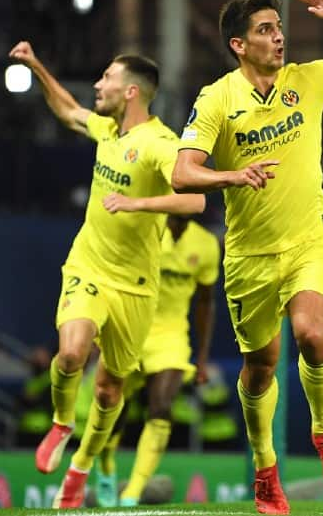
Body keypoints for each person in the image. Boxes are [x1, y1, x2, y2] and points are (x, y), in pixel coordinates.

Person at [172, 0, 323, 515]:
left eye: (279, 28)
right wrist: (232, 174)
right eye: (264, 30)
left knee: (310, 332)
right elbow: (181, 172)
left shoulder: (310, 78)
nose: (278, 37)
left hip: (309, 243)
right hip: (249, 259)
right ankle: (264, 467)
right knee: (259, 369)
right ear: (238, 44)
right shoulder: (217, 99)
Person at [8, 41, 205, 509]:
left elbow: (195, 200)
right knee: (72, 353)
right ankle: (61, 423)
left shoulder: (161, 144)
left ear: (131, 90)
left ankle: (79, 470)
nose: (98, 84)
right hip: (89, 267)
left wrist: (139, 203)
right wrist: (38, 65)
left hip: (136, 287)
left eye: (107, 77)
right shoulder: (108, 131)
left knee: (110, 388)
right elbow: (68, 111)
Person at [92, 213, 221, 507]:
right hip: (133, 327)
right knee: (113, 405)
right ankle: (106, 468)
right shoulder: (145, 228)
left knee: (162, 406)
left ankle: (133, 492)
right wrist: (103, 331)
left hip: (171, 335)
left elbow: (205, 301)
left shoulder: (205, 244)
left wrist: (201, 357)